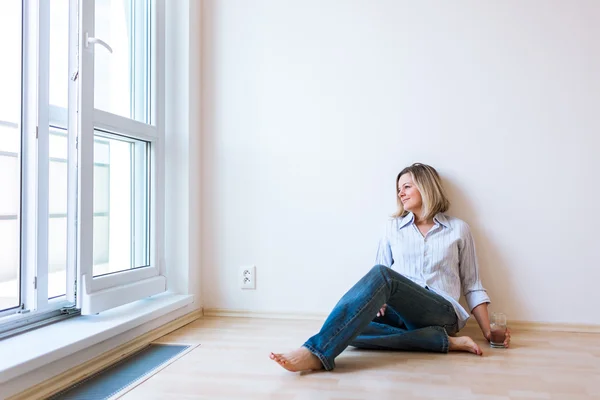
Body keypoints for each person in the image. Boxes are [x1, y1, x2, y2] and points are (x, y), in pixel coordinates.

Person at [270, 163, 511, 372]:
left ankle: (315, 353)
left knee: (375, 285)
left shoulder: (458, 229)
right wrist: (378, 303)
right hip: (399, 313)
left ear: (426, 186)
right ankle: (446, 342)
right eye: (398, 189)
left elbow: (472, 284)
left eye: (407, 186)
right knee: (351, 330)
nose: (401, 193)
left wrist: (488, 330)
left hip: (440, 312)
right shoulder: (392, 228)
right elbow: (378, 278)